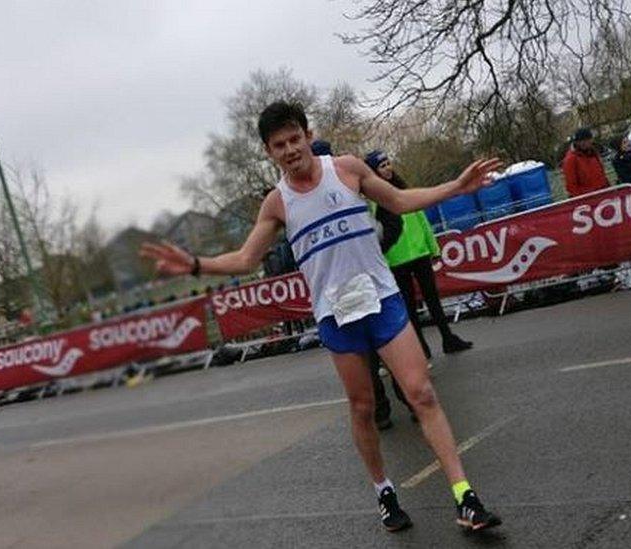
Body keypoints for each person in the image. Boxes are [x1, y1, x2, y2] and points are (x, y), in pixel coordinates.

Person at [142, 101, 503, 533]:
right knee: (363, 407)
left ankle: (464, 496)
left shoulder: (347, 169)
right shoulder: (277, 204)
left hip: (381, 297)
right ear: (268, 152)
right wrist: (196, 265)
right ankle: (384, 491)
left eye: (295, 139)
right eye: (280, 145)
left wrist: (455, 188)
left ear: (308, 135)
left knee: (421, 392)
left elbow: (401, 200)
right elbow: (245, 258)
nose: (291, 149)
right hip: (337, 312)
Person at [364, 149, 473, 430]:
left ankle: (448, 337)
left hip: (420, 253)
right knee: (409, 310)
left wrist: (432, 245)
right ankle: (419, 352)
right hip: (397, 260)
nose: (387, 168)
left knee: (433, 300)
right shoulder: (376, 199)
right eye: (381, 165)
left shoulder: (402, 189)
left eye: (388, 163)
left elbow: (421, 218)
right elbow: (380, 235)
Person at [562, 127, 609, 197]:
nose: (584, 143)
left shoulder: (593, 153)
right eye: (581, 141)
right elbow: (572, 187)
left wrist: (608, 188)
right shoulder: (571, 159)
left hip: (603, 194)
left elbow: (602, 174)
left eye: (587, 140)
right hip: (588, 199)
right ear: (577, 142)